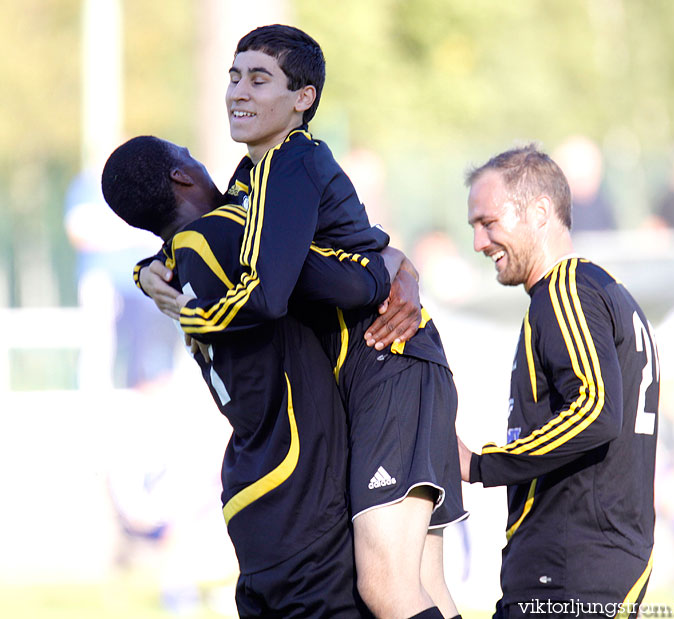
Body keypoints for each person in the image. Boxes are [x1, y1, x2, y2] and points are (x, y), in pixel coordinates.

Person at [139, 24, 467, 619]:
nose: (238, 90)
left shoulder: (293, 159)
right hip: (393, 366)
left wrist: (199, 312)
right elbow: (225, 237)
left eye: (259, 78)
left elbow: (273, 289)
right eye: (234, 76)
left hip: (385, 360)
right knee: (424, 587)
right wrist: (151, 267)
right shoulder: (251, 177)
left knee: (386, 589)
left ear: (303, 99)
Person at [101, 135, 406, 616]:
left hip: (254, 484)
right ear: (182, 176)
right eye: (192, 156)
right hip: (296, 482)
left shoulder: (176, 260)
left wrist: (145, 272)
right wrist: (393, 265)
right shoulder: (227, 235)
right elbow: (349, 283)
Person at [460, 145, 659, 618]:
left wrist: (481, 464)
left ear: (541, 212)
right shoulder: (600, 290)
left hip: (571, 572)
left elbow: (595, 410)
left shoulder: (567, 289)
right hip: (585, 567)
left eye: (488, 223)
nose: (479, 242)